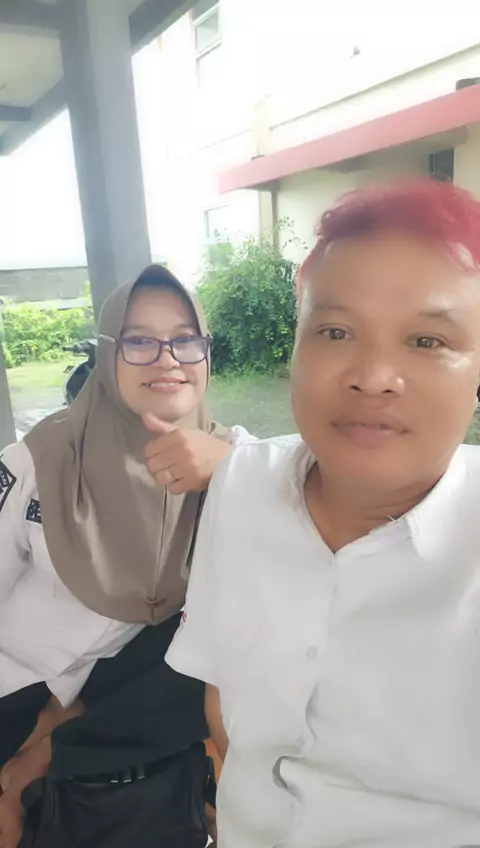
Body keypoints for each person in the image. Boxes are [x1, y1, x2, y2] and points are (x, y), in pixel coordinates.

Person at [166, 178, 480, 847]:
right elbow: (222, 698)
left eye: (427, 341)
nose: (373, 375)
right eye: (335, 331)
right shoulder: (242, 486)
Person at [0, 264, 251, 848]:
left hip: (122, 711)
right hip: (14, 689)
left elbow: (329, 488)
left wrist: (231, 471)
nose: (168, 360)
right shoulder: (39, 460)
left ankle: (47, 754)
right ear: (109, 353)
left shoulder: (238, 458)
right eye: (139, 341)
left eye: (185, 340)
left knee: (222, 631)